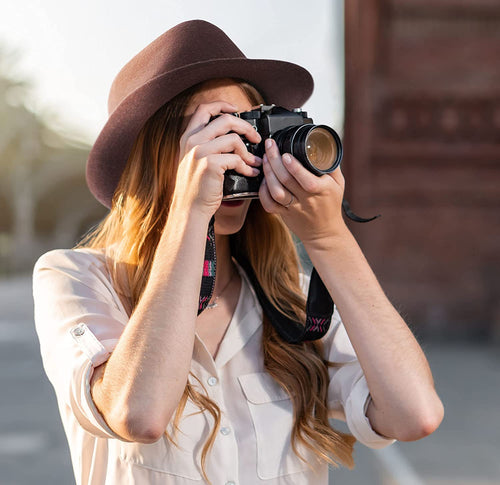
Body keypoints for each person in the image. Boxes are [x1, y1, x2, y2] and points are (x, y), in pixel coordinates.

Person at [33, 20, 443, 485]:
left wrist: (329, 239)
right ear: (153, 158)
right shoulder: (77, 277)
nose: (236, 152)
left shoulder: (296, 303)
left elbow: (416, 415)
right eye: (214, 132)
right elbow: (138, 414)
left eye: (248, 130)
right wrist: (190, 213)